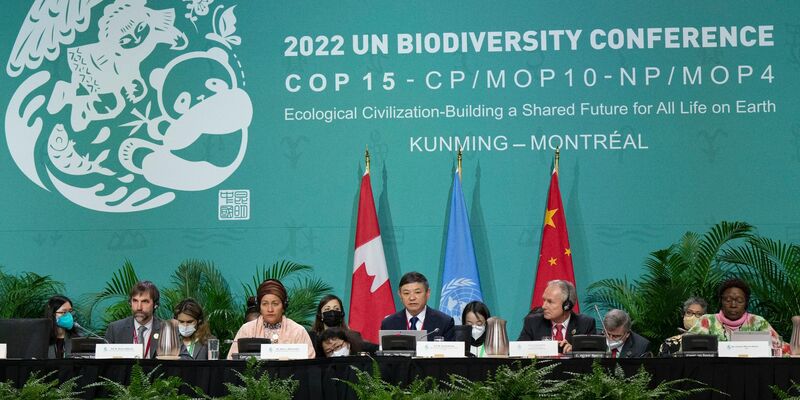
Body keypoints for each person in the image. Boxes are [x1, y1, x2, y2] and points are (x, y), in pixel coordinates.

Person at [687, 278, 788, 353]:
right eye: (728, 300)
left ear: (746, 303)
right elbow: (686, 346)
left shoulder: (758, 322)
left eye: (739, 301)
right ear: (721, 301)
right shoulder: (708, 321)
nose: (733, 305)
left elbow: (780, 348)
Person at [227, 279, 315, 358]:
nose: (270, 309)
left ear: (284, 306)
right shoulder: (246, 330)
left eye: (275, 304)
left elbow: (309, 366)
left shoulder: (298, 332)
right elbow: (232, 363)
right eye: (265, 304)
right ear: (259, 307)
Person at [517, 279, 596, 353]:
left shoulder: (585, 324)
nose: (544, 306)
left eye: (550, 302)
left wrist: (575, 351)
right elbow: (517, 351)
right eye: (544, 300)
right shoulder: (533, 322)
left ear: (567, 305)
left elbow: (594, 355)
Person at [380, 271, 455, 341]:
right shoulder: (389, 324)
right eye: (406, 293)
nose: (412, 298)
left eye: (417, 292)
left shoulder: (444, 322)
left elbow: (450, 353)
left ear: (427, 293)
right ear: (400, 295)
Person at [105, 281, 163, 359]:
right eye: (135, 301)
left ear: (155, 305)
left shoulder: (167, 329)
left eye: (145, 301)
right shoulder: (115, 329)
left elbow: (183, 359)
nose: (139, 307)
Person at [309, 294, 376, 357]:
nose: (332, 312)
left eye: (336, 309)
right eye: (327, 309)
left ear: (341, 314)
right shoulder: (312, 339)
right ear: (320, 315)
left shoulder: (354, 336)